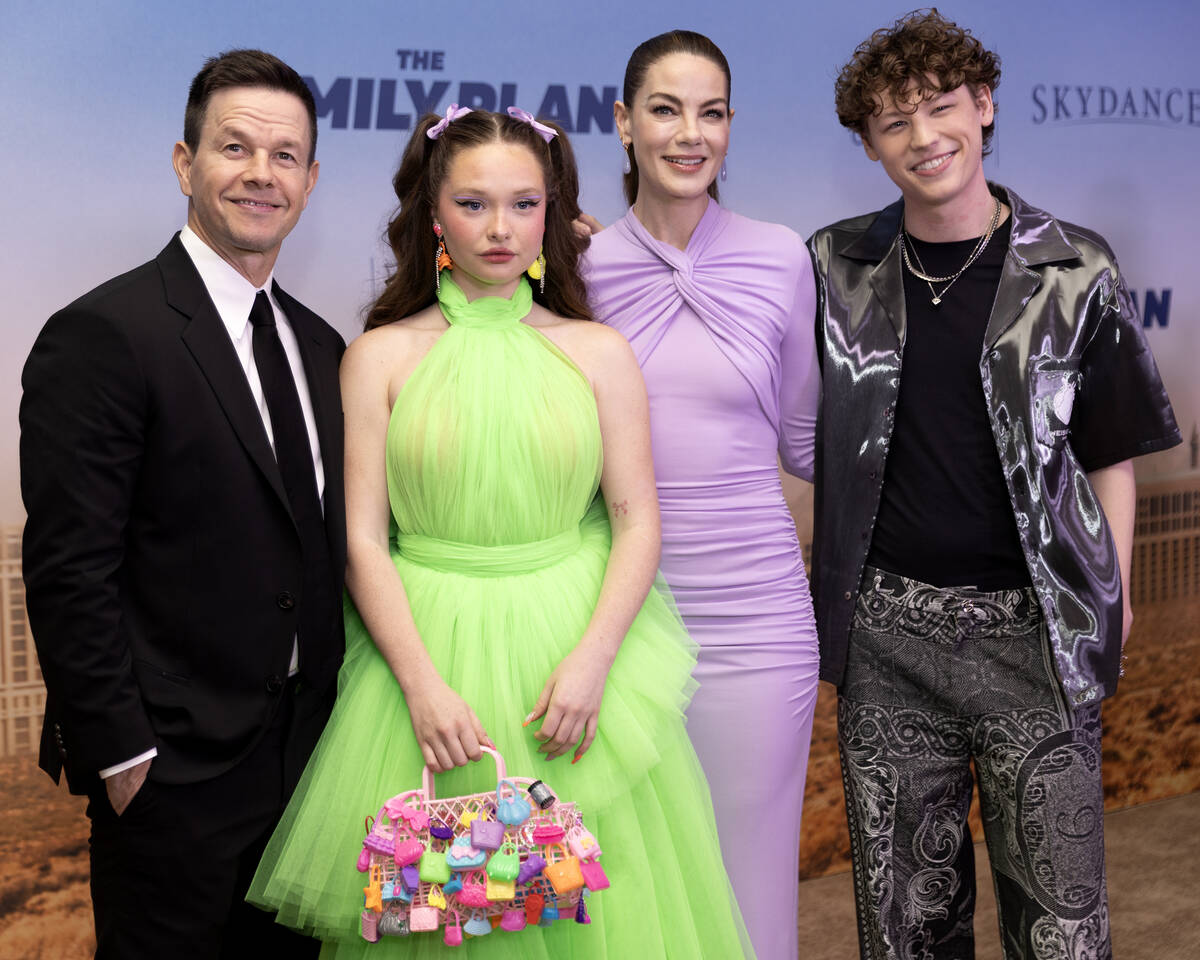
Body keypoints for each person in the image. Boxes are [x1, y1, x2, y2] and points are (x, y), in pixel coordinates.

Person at [247, 106, 754, 958]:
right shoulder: (378, 355)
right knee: (443, 917)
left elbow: (637, 521)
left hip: (577, 655)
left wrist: (594, 664)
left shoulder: (598, 351)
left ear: (551, 215)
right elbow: (363, 541)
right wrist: (422, 687)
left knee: (607, 920)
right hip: (427, 658)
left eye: (524, 204)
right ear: (433, 215)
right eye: (474, 204)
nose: (500, 227)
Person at [808, 10, 1182, 959]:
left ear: (983, 106)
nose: (923, 136)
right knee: (906, 930)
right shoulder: (831, 265)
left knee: (1058, 924)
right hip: (889, 640)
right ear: (868, 145)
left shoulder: (1077, 266)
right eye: (894, 122)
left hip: (1037, 632)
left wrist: (1120, 589)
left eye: (940, 107)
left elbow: (1114, 451)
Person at [20, 50, 345, 958]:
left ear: (311, 181)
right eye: (234, 147)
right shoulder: (104, 333)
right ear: (183, 162)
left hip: (310, 776)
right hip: (172, 783)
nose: (260, 174)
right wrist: (124, 761)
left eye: (285, 157)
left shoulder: (322, 349)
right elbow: (68, 567)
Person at [583, 30, 820, 960]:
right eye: (666, 109)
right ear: (624, 122)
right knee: (631, 890)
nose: (690, 134)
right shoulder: (577, 269)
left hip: (759, 622)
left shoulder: (780, 258)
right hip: (620, 625)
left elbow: (806, 441)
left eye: (711, 112)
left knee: (751, 883)